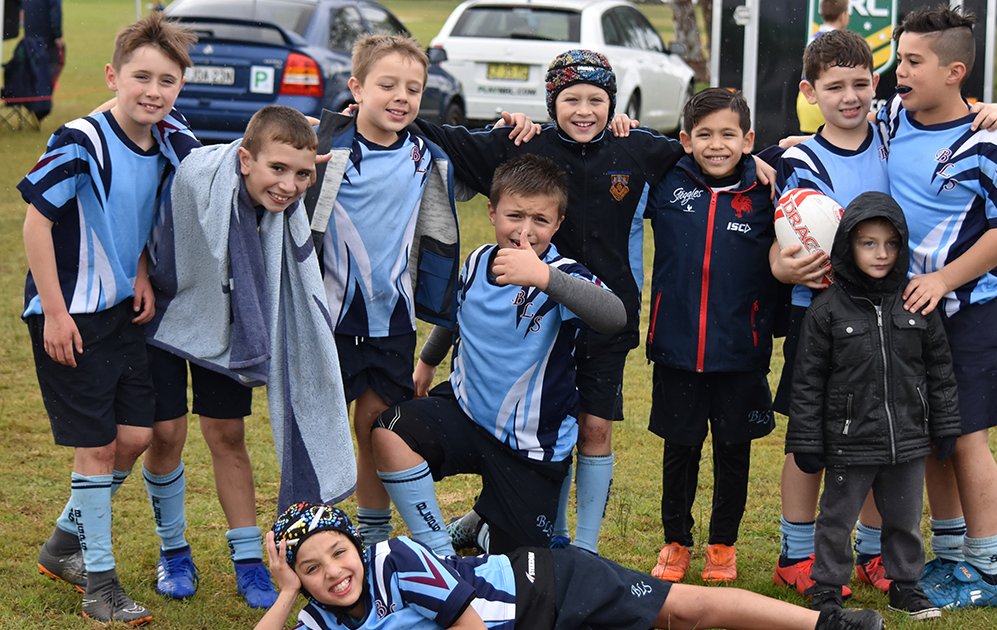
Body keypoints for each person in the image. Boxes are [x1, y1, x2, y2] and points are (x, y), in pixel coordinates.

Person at [410, 50, 687, 556]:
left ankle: (582, 549)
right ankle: (544, 533)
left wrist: (765, 161)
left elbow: (707, 158)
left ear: (613, 104)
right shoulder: (521, 144)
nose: (584, 110)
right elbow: (443, 140)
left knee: (594, 427)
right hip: (534, 325)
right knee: (546, 427)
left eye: (597, 100)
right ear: (549, 103)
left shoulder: (636, 149)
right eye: (571, 99)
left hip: (604, 315)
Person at [20, 12, 193, 624]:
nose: (153, 91)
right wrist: (56, 313)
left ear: (179, 86)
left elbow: (227, 163)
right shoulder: (81, 140)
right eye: (141, 77)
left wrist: (142, 270)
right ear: (112, 75)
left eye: (167, 81)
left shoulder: (168, 138)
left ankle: (63, 545)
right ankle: (100, 584)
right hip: (71, 316)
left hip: (123, 313)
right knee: (95, 450)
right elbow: (37, 223)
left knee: (135, 438)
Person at [371, 154, 626, 556]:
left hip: (530, 448)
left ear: (558, 223)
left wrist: (543, 277)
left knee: (522, 565)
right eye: (515, 216)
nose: (525, 230)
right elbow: (456, 314)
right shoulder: (475, 261)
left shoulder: (561, 274)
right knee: (390, 431)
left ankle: (484, 526)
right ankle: (440, 553)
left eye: (540, 220)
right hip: (467, 414)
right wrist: (427, 362)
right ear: (492, 213)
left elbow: (615, 316)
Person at [137, 104, 336, 608]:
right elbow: (155, 124)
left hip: (229, 326)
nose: (289, 186)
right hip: (165, 316)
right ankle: (174, 551)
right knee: (165, 433)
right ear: (244, 159)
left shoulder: (283, 209)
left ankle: (249, 561)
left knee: (227, 435)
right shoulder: (199, 172)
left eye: (302, 174)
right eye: (277, 169)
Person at [880, 5, 997, 609]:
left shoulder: (988, 141)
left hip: (975, 312)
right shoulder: (891, 117)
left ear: (954, 71)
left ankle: (989, 573)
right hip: (914, 314)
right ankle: (949, 561)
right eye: (898, 58)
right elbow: (841, 127)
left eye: (913, 61)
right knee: (932, 440)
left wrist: (944, 278)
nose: (899, 71)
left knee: (968, 439)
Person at [301, 33, 463, 547]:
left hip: (391, 320)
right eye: (387, 84)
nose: (401, 97)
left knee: (378, 427)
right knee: (317, 437)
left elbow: (490, 159)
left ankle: (372, 539)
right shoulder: (325, 147)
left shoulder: (426, 157)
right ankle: (308, 537)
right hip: (326, 319)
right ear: (357, 87)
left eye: (412, 89)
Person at [254, 501, 886, 630]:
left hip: (547, 586)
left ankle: (828, 626)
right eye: (311, 570)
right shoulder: (322, 618)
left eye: (338, 552)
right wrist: (284, 594)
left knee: (681, 607)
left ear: (355, 545)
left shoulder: (391, 559)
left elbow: (471, 629)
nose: (334, 573)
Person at [788, 191, 961, 620]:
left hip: (907, 439)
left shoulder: (917, 304)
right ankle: (827, 587)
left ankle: (906, 586)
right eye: (868, 243)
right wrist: (806, 440)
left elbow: (939, 370)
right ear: (848, 245)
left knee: (904, 519)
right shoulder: (825, 311)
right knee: (835, 520)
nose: (881, 254)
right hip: (849, 441)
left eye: (890, 244)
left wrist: (945, 426)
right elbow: (807, 382)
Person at [766, 29, 893, 599]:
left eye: (860, 84)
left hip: (886, 315)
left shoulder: (893, 138)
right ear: (809, 91)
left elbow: (949, 116)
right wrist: (783, 264)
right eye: (835, 85)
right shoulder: (800, 159)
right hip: (816, 315)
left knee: (877, 437)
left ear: (876, 84)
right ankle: (796, 553)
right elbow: (795, 241)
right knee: (809, 439)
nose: (850, 96)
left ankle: (871, 549)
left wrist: (991, 111)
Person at [642, 88, 782, 585]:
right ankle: (676, 542)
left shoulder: (769, 191)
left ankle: (723, 545)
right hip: (676, 352)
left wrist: (771, 161)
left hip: (740, 354)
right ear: (685, 140)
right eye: (704, 135)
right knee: (679, 452)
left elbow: (819, 143)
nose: (716, 145)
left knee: (733, 452)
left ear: (748, 140)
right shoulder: (667, 183)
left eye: (728, 134)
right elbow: (625, 148)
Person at [796, 0, 850, 135]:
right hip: (825, 104)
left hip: (806, 102)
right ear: (843, 15)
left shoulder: (813, 39)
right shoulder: (840, 42)